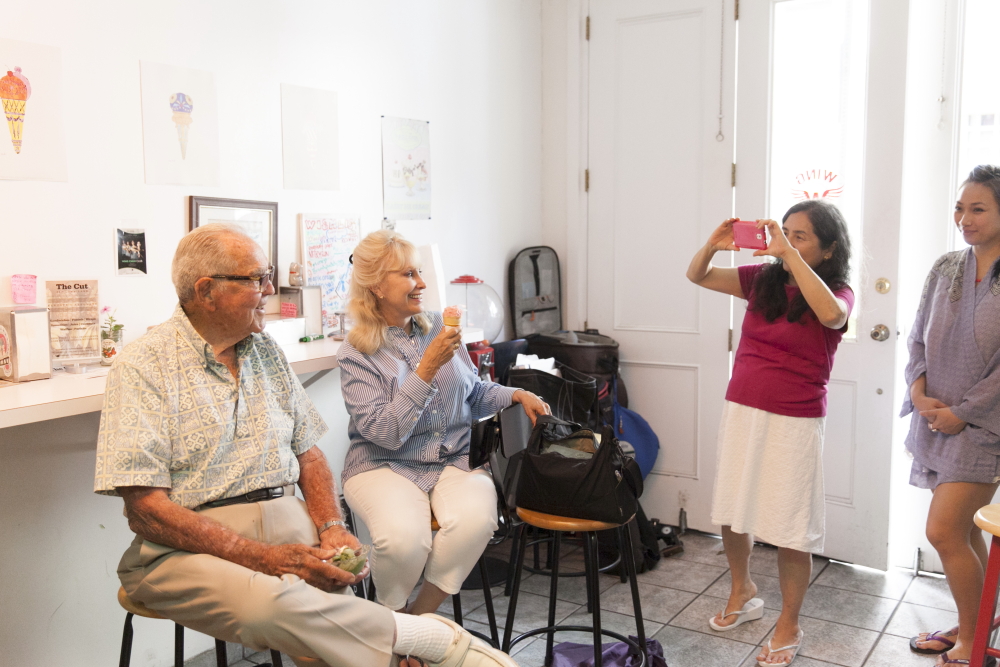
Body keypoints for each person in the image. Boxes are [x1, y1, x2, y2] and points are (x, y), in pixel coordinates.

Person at [93, 223, 519, 667]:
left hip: (285, 517)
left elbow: (310, 455)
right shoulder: (143, 365)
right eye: (257, 279)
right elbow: (145, 507)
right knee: (268, 606)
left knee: (333, 589)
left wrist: (331, 525)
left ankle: (400, 646)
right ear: (207, 291)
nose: (270, 289)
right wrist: (265, 557)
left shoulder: (265, 352)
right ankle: (420, 639)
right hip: (186, 544)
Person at [338, 230, 549, 615]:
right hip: (384, 464)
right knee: (402, 540)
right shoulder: (356, 352)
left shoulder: (439, 326)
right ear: (376, 286)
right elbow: (385, 433)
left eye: (418, 272)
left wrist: (516, 395)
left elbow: (473, 394)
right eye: (407, 275)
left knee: (477, 520)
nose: (420, 283)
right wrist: (426, 368)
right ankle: (391, 617)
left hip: (453, 457)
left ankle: (418, 619)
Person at [686, 200, 854, 666]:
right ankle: (742, 589)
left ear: (828, 248)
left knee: (790, 525)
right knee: (732, 507)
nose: (786, 242)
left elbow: (832, 317)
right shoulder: (762, 280)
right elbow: (696, 275)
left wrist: (791, 257)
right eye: (785, 232)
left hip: (795, 418)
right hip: (742, 407)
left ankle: (790, 622)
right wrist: (713, 245)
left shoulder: (837, 290)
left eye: (801, 237)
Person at [904, 165, 1000, 667]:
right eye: (960, 207)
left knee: (943, 531)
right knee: (965, 532)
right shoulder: (945, 267)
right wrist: (919, 393)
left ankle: (972, 643)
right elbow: (916, 333)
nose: (964, 217)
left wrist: (963, 412)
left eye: (978, 208)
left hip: (985, 429)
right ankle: (974, 628)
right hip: (935, 419)